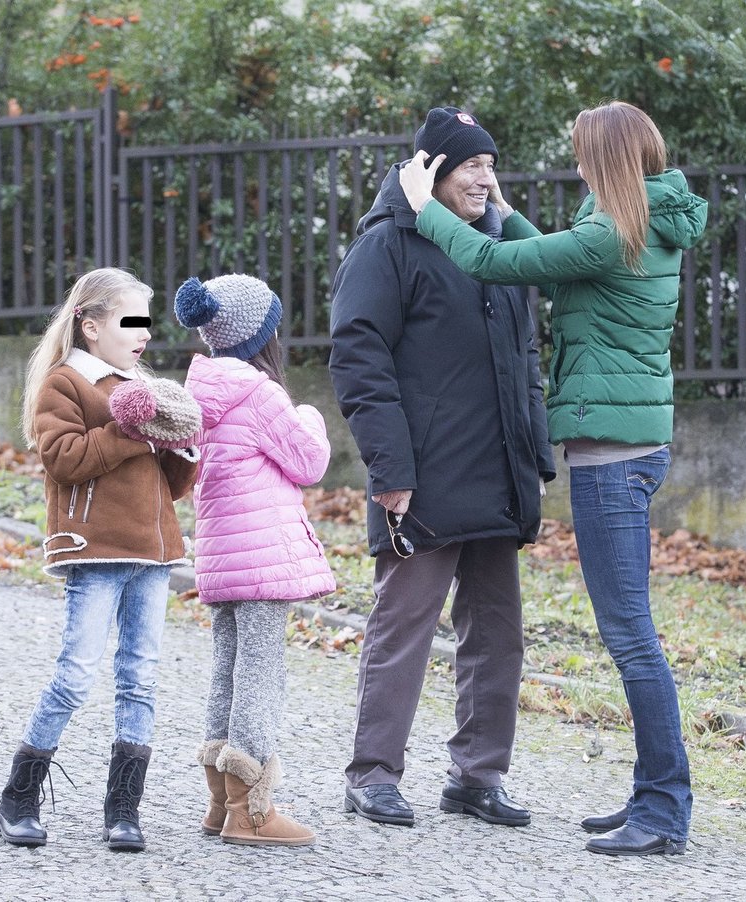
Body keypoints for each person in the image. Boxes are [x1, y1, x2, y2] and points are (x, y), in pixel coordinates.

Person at [399, 100, 708, 856]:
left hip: (611, 459)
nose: (574, 164)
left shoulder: (613, 231)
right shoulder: (640, 224)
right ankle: (652, 793)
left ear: (602, 159)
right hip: (632, 449)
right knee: (633, 635)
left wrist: (423, 209)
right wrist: (507, 210)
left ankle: (664, 809)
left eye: (580, 153)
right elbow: (567, 264)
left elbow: (492, 263)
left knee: (631, 638)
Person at [328, 106, 556, 829]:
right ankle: (372, 774)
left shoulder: (497, 245)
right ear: (430, 171)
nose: (486, 178)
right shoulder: (386, 246)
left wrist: (534, 455)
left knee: (498, 634)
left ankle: (476, 777)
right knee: (405, 629)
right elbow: (358, 363)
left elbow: (525, 363)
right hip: (421, 480)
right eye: (471, 165)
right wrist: (390, 471)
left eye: (492, 164)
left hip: (497, 477)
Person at [0, 267, 200, 853]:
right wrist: (131, 428)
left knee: (141, 679)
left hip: (154, 553)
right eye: (130, 321)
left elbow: (171, 484)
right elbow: (64, 458)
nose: (144, 334)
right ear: (89, 326)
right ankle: (20, 795)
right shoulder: (66, 383)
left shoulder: (143, 385)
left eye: (147, 323)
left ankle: (123, 811)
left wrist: (184, 444)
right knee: (76, 673)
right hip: (96, 551)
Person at [174, 273, 336, 847]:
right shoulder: (262, 394)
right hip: (263, 563)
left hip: (220, 558)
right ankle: (253, 810)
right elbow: (310, 461)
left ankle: (220, 802)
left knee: (227, 668)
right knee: (261, 675)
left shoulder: (201, 391)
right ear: (262, 335)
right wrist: (312, 415)